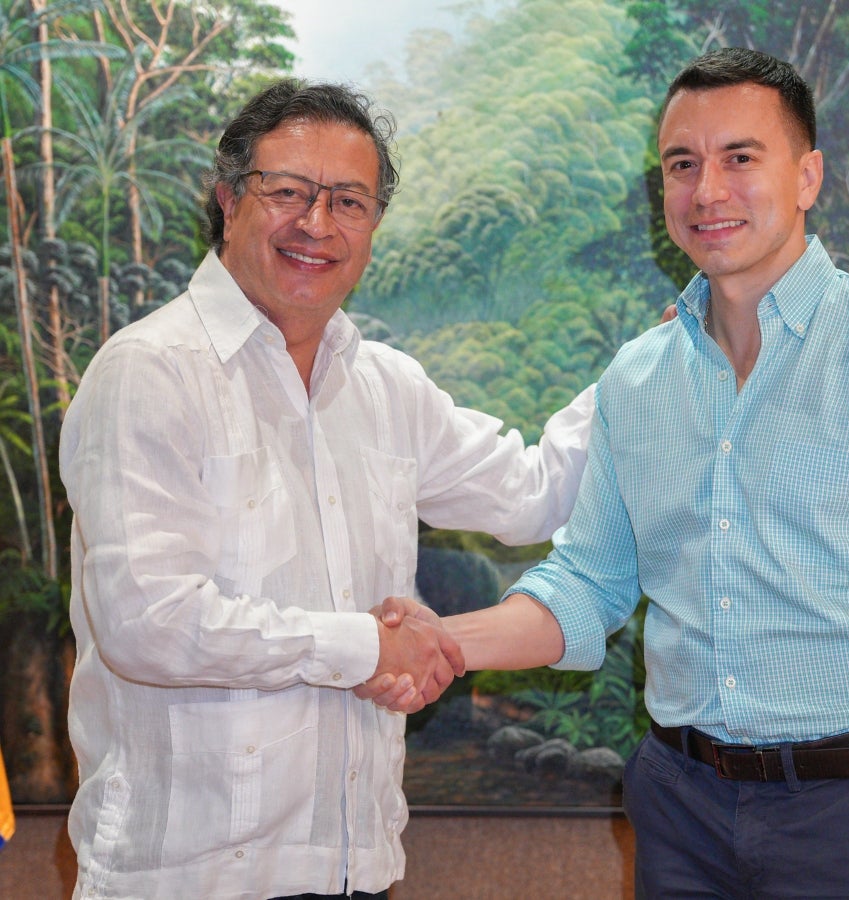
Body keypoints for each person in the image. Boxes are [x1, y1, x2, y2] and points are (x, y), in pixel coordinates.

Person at [390, 48, 849, 898]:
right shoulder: (635, 379)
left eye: (741, 158)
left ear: (808, 176)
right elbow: (589, 583)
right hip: (680, 807)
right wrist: (443, 640)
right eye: (682, 165)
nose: (707, 191)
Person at [59, 79, 595, 900]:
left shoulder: (386, 386)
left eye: (348, 200)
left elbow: (532, 495)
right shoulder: (149, 373)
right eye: (288, 192)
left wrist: (647, 374)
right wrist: (366, 647)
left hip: (356, 867)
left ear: (373, 225)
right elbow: (149, 623)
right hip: (187, 880)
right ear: (228, 199)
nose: (317, 224)